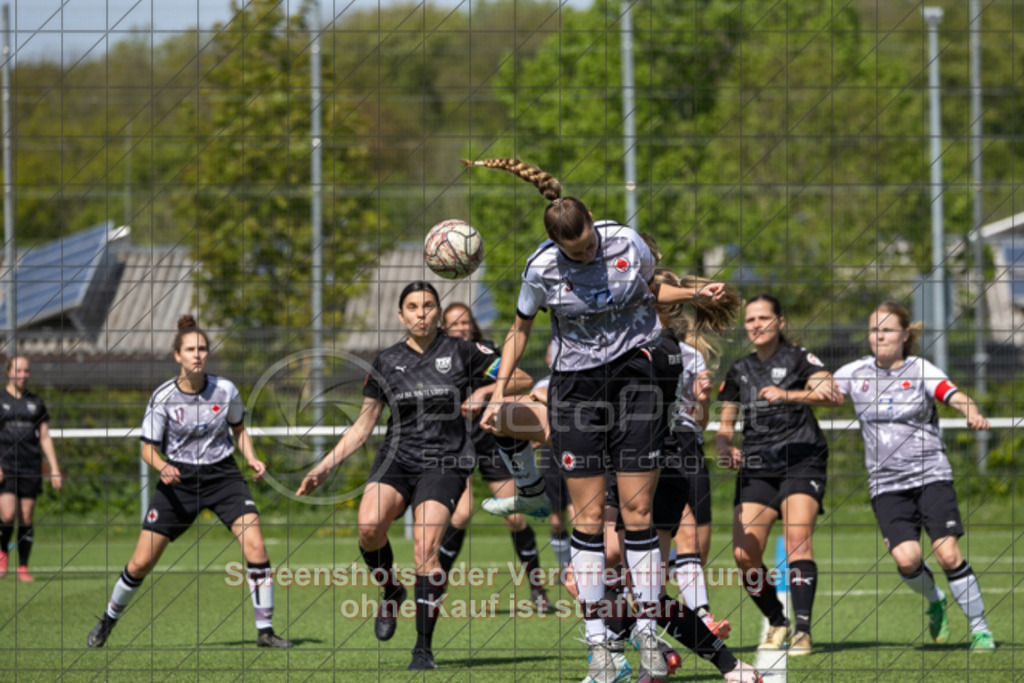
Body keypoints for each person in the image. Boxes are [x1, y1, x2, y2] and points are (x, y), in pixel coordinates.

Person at [467, 157, 760, 683]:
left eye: (588, 246)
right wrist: (496, 394)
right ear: (556, 244)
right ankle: (600, 646)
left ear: (594, 223)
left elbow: (653, 291)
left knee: (637, 511)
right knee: (585, 521)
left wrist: (694, 292)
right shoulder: (540, 269)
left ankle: (648, 634)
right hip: (577, 388)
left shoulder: (626, 241)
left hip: (635, 380)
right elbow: (519, 330)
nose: (585, 256)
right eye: (574, 252)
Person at [296, 282, 532, 670]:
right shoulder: (386, 361)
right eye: (412, 307)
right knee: (368, 529)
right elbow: (364, 424)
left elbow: (521, 377)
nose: (421, 313)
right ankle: (391, 590)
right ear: (400, 315)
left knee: (425, 549)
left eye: (427, 305)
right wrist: (324, 465)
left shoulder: (463, 351)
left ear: (438, 312)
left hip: (445, 460)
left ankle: (423, 650)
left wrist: (487, 391)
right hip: (397, 458)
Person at [87, 316, 291, 649]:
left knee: (256, 545)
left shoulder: (225, 390)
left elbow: (239, 429)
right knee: (141, 563)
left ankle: (265, 631)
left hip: (223, 476)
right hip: (179, 481)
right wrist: (163, 466)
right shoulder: (163, 397)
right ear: (177, 355)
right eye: (190, 349)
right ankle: (107, 620)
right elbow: (147, 449)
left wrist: (252, 457)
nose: (198, 355)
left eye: (203, 349)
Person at [833, 301, 995, 652]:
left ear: (905, 335)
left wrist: (971, 411)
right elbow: (821, 390)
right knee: (907, 559)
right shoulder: (855, 373)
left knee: (947, 554)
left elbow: (954, 395)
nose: (879, 336)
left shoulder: (920, 369)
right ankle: (936, 600)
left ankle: (980, 630)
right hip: (886, 485)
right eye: (874, 329)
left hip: (930, 475)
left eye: (887, 330)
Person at [715, 294, 842, 656]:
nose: (756, 324)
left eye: (763, 318)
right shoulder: (739, 368)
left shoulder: (799, 358)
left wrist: (787, 395)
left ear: (780, 322)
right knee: (744, 555)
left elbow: (830, 395)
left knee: (797, 541)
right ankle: (777, 619)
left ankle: (802, 629)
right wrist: (724, 447)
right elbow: (725, 426)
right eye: (750, 319)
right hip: (757, 466)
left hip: (801, 459)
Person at [437, 302, 553, 614]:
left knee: (515, 517)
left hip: (489, 441)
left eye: (465, 322)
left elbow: (522, 380)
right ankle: (436, 587)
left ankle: (538, 589)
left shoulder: (484, 352)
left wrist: (486, 392)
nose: (461, 328)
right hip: (455, 445)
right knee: (460, 516)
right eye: (454, 324)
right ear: (444, 328)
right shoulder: (438, 357)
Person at [651, 269, 739, 641]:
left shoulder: (687, 354)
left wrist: (700, 401)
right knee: (622, 549)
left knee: (692, 540)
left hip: (682, 443)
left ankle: (697, 618)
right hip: (638, 445)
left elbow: (699, 419)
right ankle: (633, 628)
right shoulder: (627, 347)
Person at [0, 355, 62, 582]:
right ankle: (2, 554)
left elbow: (44, 437)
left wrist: (54, 468)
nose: (23, 375)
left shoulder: (36, 402)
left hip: (30, 466)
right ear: (9, 372)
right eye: (18, 370)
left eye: (26, 371)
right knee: (7, 514)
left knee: (26, 517)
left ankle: (23, 567)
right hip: (6, 465)